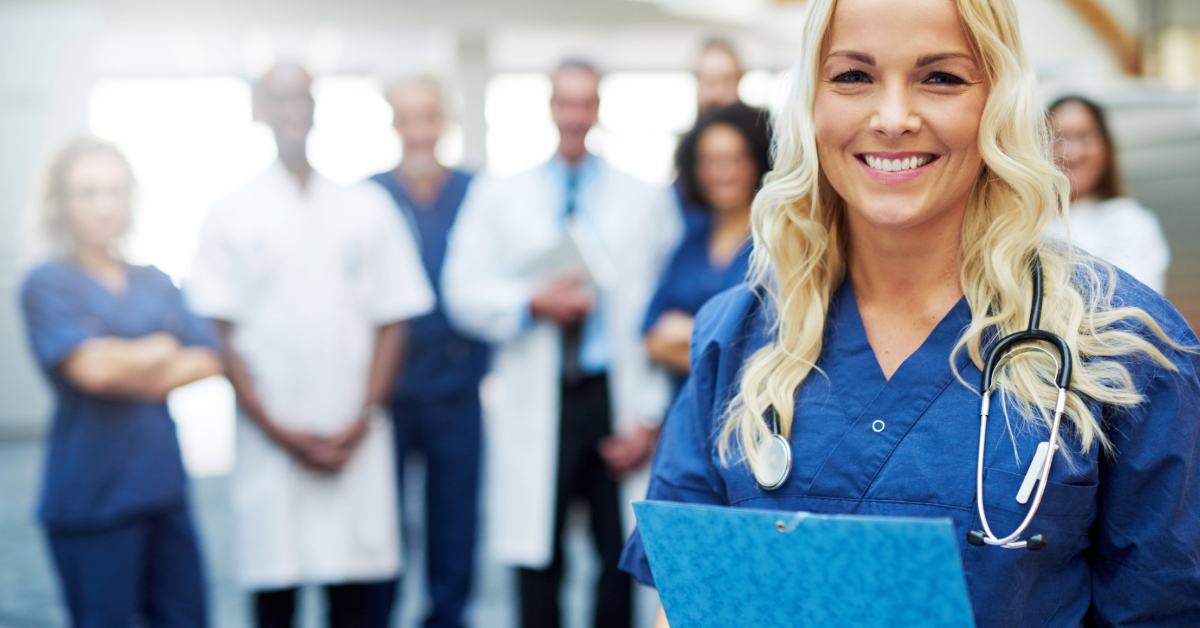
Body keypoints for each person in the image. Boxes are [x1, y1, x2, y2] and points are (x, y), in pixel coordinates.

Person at [619, 0, 1200, 626]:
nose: (893, 118)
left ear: (997, 100)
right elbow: (682, 608)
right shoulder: (736, 339)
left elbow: (1163, 608)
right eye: (852, 76)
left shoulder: (1124, 347)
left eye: (941, 77)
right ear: (809, 103)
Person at [186, 63, 435, 628]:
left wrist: (364, 416)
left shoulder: (366, 206)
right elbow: (220, 335)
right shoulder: (230, 211)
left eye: (302, 98)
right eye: (278, 99)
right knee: (276, 595)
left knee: (358, 596)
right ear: (258, 110)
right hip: (272, 441)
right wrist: (280, 432)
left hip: (357, 439)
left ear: (317, 108)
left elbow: (395, 317)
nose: (292, 110)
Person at [442, 60, 682, 628]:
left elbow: (661, 312)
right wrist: (530, 302)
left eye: (586, 104)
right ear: (550, 108)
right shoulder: (499, 195)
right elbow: (460, 290)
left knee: (616, 556)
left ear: (598, 110)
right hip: (538, 394)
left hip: (611, 393)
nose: (575, 116)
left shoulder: (643, 199)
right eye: (565, 103)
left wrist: (649, 414)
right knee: (537, 556)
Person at [19, 137, 223, 627]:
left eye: (115, 191)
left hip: (162, 488)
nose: (104, 206)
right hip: (91, 497)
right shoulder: (47, 282)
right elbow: (92, 371)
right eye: (87, 192)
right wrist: (159, 347)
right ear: (61, 202)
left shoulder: (154, 279)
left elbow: (212, 359)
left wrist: (118, 357)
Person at [368, 77, 488, 628]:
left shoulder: (477, 191)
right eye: (405, 118)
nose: (417, 131)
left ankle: (448, 616)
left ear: (444, 122)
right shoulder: (368, 197)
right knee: (380, 522)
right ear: (393, 123)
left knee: (454, 522)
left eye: (427, 117)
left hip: (457, 387)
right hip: (387, 390)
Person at [644, 103, 770, 396]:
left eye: (734, 159)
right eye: (708, 161)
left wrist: (688, 330)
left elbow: (770, 352)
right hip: (685, 414)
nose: (720, 172)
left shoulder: (777, 244)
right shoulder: (690, 241)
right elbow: (651, 341)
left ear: (756, 162)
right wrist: (725, 350)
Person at [1046, 95, 1169, 294]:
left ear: (1105, 147)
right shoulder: (1023, 224)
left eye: (1083, 137)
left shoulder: (1131, 223)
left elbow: (1136, 313)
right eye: (1058, 138)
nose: (1071, 152)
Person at [695, 39, 744, 116]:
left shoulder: (761, 125)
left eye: (727, 81)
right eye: (711, 82)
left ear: (738, 81)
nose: (719, 91)